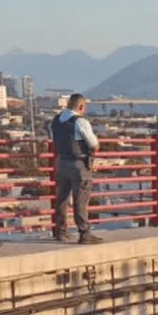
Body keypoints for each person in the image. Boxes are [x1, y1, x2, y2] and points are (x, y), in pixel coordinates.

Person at [48, 93, 103, 244]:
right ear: (80, 106)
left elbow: (53, 139)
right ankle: (85, 233)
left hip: (61, 163)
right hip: (78, 164)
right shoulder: (81, 121)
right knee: (81, 200)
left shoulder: (55, 121)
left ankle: (60, 231)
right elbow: (94, 145)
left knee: (62, 199)